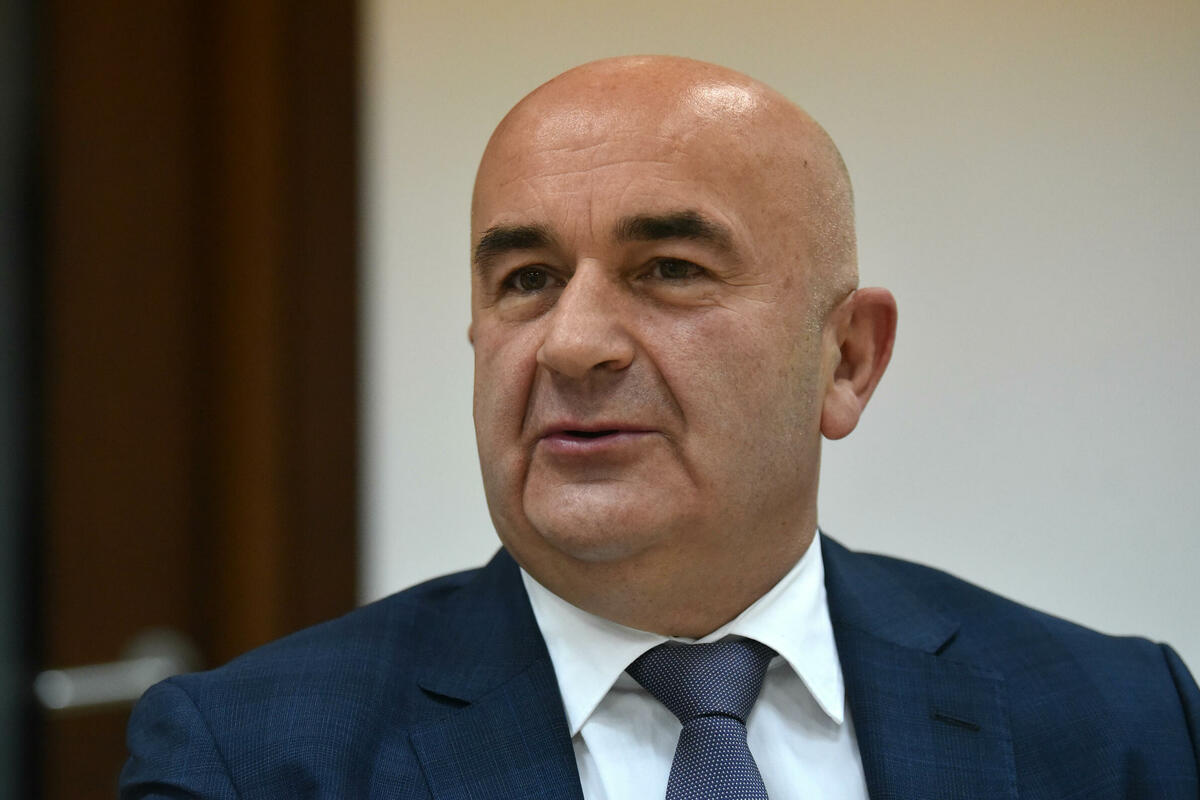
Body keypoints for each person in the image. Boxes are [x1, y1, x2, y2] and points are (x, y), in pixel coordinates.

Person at [120, 56, 1199, 799]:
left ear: (848, 359)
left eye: (670, 269)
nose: (573, 343)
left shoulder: (1122, 725)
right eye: (527, 278)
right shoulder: (251, 759)